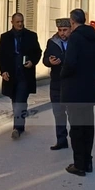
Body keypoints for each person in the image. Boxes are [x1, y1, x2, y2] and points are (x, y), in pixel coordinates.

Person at [60, 9, 95, 177]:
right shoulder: (94, 38)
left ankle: (79, 165)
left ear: (72, 22)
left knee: (76, 129)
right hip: (88, 90)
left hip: (74, 91)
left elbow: (70, 63)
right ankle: (88, 161)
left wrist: (63, 74)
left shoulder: (75, 38)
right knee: (87, 127)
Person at [0, 13, 42, 139]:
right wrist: (3, 71)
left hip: (25, 75)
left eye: (21, 21)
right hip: (11, 75)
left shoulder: (31, 36)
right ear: (12, 22)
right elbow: (1, 55)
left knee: (20, 100)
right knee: (15, 100)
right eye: (17, 22)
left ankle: (17, 128)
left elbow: (38, 52)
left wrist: (32, 61)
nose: (20, 24)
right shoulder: (5, 37)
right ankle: (20, 125)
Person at [43, 18, 72, 150]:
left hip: (71, 83)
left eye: (65, 30)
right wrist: (49, 61)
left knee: (72, 114)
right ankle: (61, 140)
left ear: (70, 29)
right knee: (58, 113)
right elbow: (45, 59)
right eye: (60, 30)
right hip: (56, 83)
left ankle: (75, 139)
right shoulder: (52, 42)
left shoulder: (75, 42)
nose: (62, 33)